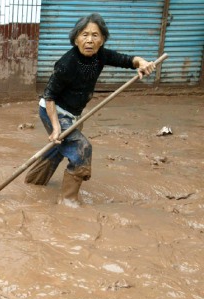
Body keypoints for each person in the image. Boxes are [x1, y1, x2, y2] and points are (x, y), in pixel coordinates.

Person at [25, 13, 156, 207]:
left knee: (61, 148)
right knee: (81, 148)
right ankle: (68, 199)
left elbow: (127, 60)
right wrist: (55, 128)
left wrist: (142, 63)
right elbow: (49, 96)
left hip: (74, 113)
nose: (89, 40)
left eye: (95, 35)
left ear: (102, 40)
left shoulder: (101, 55)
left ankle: (34, 180)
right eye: (84, 34)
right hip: (54, 110)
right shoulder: (66, 63)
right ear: (76, 38)